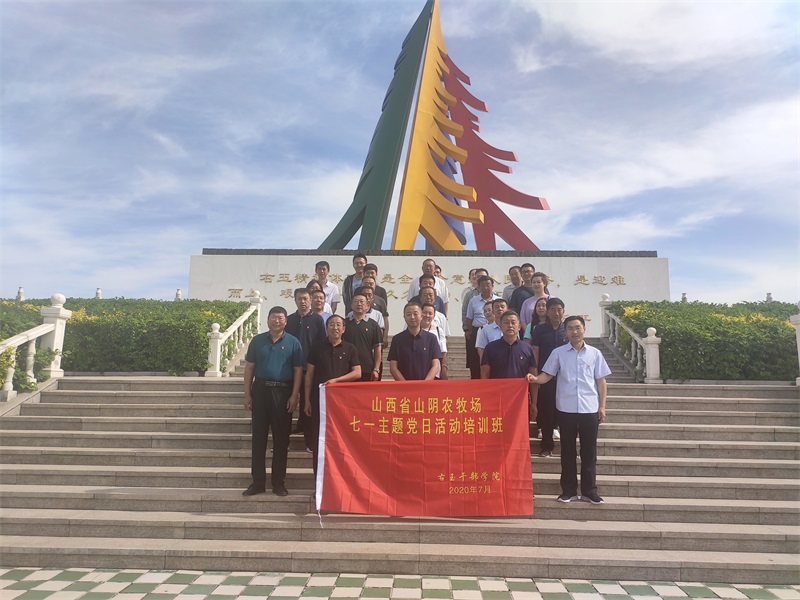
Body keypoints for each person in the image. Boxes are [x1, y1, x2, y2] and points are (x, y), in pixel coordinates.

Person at [532, 315, 611, 505]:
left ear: (584, 329)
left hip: (589, 409)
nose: (574, 331)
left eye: (577, 327)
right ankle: (568, 491)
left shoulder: (595, 353)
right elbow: (547, 375)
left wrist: (602, 406)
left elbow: (601, 381)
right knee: (567, 451)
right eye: (570, 328)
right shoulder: (558, 353)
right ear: (565, 332)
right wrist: (534, 379)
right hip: (566, 409)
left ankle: (590, 491)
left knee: (589, 451)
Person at [242, 306, 305, 497]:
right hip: (260, 391)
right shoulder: (257, 341)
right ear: (268, 319)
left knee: (281, 440)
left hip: (283, 392)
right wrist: (247, 394)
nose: (277, 321)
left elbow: (298, 370)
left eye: (280, 318)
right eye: (273, 317)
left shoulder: (293, 342)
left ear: (286, 321)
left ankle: (278, 483)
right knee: (258, 439)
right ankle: (258, 482)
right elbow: (249, 368)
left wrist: (294, 395)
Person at [304, 314, 361, 477]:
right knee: (319, 439)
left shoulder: (350, 348)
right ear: (326, 328)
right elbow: (309, 375)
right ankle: (319, 480)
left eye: (338, 325)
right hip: (320, 402)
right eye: (331, 324)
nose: (335, 328)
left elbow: (357, 372)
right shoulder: (317, 348)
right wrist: (307, 400)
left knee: (341, 440)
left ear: (344, 329)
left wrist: (336, 381)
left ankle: (340, 479)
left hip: (342, 404)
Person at [285, 288, 327, 446]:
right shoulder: (289, 320)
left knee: (307, 403)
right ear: (295, 300)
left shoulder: (317, 320)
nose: (302, 302)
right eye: (299, 299)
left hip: (309, 369)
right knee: (287, 403)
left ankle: (309, 441)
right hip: (290, 368)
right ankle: (284, 440)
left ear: (310, 300)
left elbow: (321, 344)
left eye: (305, 299)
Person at [530, 297, 568, 457]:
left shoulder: (568, 329)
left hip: (565, 378)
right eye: (553, 309)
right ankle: (546, 446)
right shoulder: (539, 329)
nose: (556, 313)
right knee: (546, 412)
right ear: (547, 311)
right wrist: (536, 375)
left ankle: (568, 448)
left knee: (566, 414)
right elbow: (535, 351)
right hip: (546, 376)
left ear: (563, 311)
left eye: (559, 309)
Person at [389, 302, 442, 381]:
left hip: (426, 386)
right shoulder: (397, 340)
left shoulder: (431, 339)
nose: (412, 317)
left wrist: (424, 384)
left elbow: (435, 365)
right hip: (404, 386)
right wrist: (405, 385)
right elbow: (393, 367)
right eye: (408, 314)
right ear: (404, 317)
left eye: (415, 314)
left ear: (421, 316)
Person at [480, 311, 537, 381]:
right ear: (500, 326)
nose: (510, 325)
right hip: (498, 388)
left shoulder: (527, 348)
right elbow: (485, 375)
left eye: (513, 323)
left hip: (519, 388)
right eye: (506, 322)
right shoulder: (490, 348)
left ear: (519, 327)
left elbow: (533, 375)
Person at [342, 292, 383, 381]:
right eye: (356, 301)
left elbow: (377, 348)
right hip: (346, 368)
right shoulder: (344, 324)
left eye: (362, 301)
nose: (359, 304)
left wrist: (376, 369)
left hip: (367, 368)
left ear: (367, 306)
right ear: (351, 305)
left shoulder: (373, 325)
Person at [465, 275, 500, 378]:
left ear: (492, 286)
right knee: (475, 361)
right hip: (478, 331)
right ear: (479, 287)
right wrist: (471, 332)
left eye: (488, 285)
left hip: (496, 329)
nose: (485, 287)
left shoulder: (499, 300)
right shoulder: (473, 301)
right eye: (482, 285)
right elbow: (469, 318)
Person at [420, 302, 448, 379]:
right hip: (418, 371)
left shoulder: (438, 331)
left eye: (430, 313)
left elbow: (443, 352)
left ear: (434, 316)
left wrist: (444, 368)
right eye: (425, 312)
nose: (427, 315)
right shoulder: (414, 330)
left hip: (435, 372)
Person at [360, 275, 389, 345]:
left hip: (375, 337)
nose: (368, 285)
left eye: (371, 284)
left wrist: (385, 336)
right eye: (366, 283)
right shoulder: (355, 300)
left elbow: (385, 318)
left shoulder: (380, 301)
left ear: (375, 285)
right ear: (361, 285)